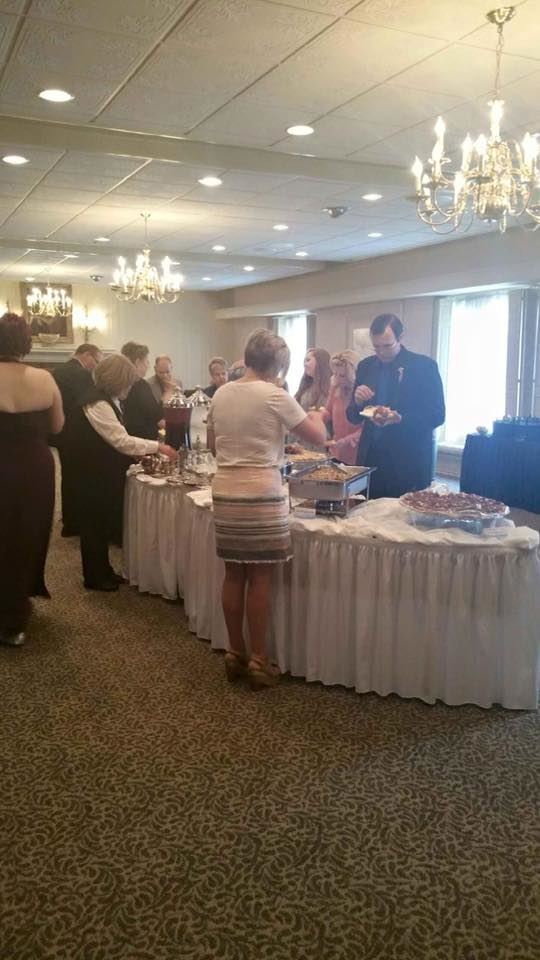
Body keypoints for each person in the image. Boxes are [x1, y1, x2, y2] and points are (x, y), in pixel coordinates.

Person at [206, 329, 327, 690]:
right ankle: (259, 659)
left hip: (226, 488)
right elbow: (318, 438)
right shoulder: (275, 395)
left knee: (233, 574)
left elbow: (213, 445)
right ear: (278, 365)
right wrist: (320, 414)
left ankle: (234, 651)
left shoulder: (222, 393)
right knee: (260, 578)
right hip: (261, 490)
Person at [64, 355, 176, 591]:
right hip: (89, 473)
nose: (130, 387)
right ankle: (94, 577)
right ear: (117, 380)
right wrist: (158, 447)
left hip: (96, 471)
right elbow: (120, 440)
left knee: (100, 522)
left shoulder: (106, 400)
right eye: (128, 382)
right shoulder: (97, 403)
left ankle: (103, 570)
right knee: (93, 524)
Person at [0, 312, 64, 646]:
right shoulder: (44, 378)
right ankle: (15, 613)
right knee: (27, 534)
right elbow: (57, 426)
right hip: (35, 467)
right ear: (26, 342)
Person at [346, 314, 445, 498]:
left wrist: (400, 419)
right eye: (376, 346)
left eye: (387, 346)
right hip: (370, 459)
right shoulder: (366, 366)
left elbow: (437, 415)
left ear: (400, 337)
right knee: (365, 512)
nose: (381, 352)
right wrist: (358, 402)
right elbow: (352, 416)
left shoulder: (424, 366)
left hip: (408, 460)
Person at [52, 342, 103, 536]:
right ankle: (75, 522)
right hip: (77, 433)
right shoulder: (82, 374)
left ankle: (69, 520)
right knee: (79, 477)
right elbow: (89, 403)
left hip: (60, 431)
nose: (95, 367)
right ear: (87, 355)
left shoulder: (57, 370)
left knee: (68, 475)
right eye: (96, 361)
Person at [320, 350, 363, 465]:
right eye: (335, 374)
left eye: (342, 376)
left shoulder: (362, 393)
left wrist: (347, 440)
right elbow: (328, 412)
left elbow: (366, 427)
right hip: (337, 450)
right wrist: (315, 419)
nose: (338, 379)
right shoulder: (336, 387)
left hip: (357, 452)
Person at [121, 341, 162, 440]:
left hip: (127, 435)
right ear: (138, 362)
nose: (148, 365)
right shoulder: (140, 384)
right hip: (143, 439)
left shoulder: (121, 381)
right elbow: (155, 416)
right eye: (146, 361)